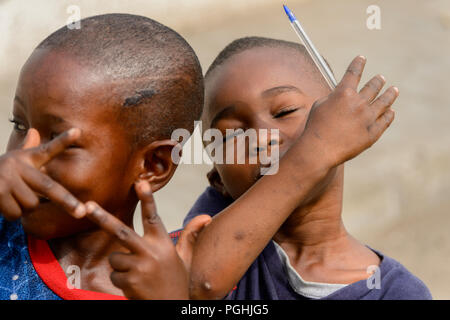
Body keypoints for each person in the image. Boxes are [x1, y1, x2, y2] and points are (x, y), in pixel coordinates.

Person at [181, 37, 432, 300]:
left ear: (343, 129)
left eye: (284, 112)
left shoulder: (398, 291)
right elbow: (197, 283)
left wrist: (318, 150)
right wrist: (310, 156)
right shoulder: (213, 224)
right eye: (232, 135)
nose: (261, 138)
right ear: (218, 181)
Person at [0, 13, 210, 300]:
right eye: (19, 126)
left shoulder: (160, 290)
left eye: (61, 143)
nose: (23, 156)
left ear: (153, 165)